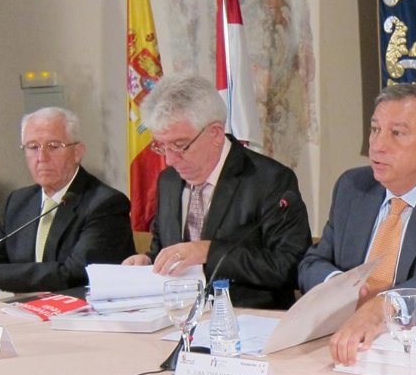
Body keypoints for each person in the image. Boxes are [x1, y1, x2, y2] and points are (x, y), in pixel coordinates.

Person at [299, 82, 416, 364]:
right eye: (375, 130)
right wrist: (338, 287)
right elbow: (312, 263)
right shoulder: (352, 187)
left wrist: (385, 306)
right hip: (348, 341)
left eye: (397, 133)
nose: (378, 146)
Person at [123, 74, 310, 308]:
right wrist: (148, 263)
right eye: (162, 146)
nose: (170, 160)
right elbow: (164, 249)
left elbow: (290, 266)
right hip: (176, 316)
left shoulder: (269, 180)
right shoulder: (168, 181)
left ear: (215, 133)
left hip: (247, 317)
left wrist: (209, 251)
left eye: (180, 146)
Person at [0, 108, 134, 292]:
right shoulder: (19, 201)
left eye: (53, 146)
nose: (41, 157)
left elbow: (73, 274)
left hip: (82, 314)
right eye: (33, 147)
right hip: (25, 310)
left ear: (77, 152)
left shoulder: (105, 204)